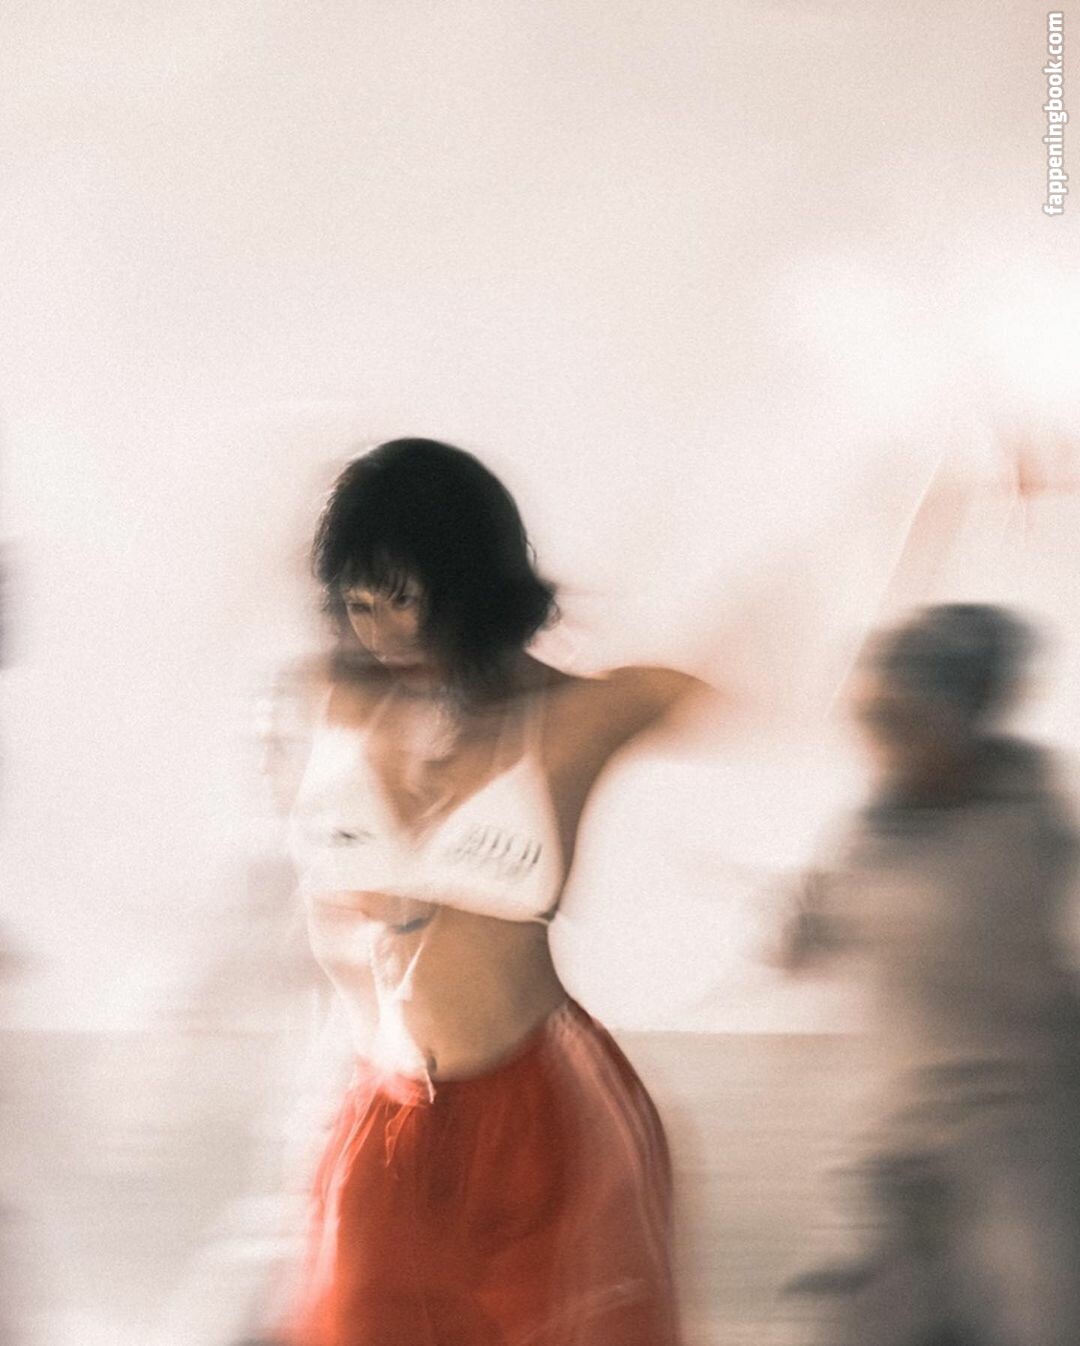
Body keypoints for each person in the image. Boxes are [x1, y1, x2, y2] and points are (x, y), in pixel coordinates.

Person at [276, 438, 702, 1346]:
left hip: (540, 1109)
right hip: (380, 1112)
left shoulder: (576, 713)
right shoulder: (322, 699)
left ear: (470, 584)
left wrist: (940, 496)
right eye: (361, 602)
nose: (382, 631)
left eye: (405, 599)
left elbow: (788, 662)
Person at [776, 603, 1080, 1346]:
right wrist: (806, 917)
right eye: (873, 719)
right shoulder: (876, 830)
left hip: (1019, 1155)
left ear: (964, 717)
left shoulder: (1029, 829)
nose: (878, 739)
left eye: (899, 718)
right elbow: (804, 950)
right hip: (900, 1149)